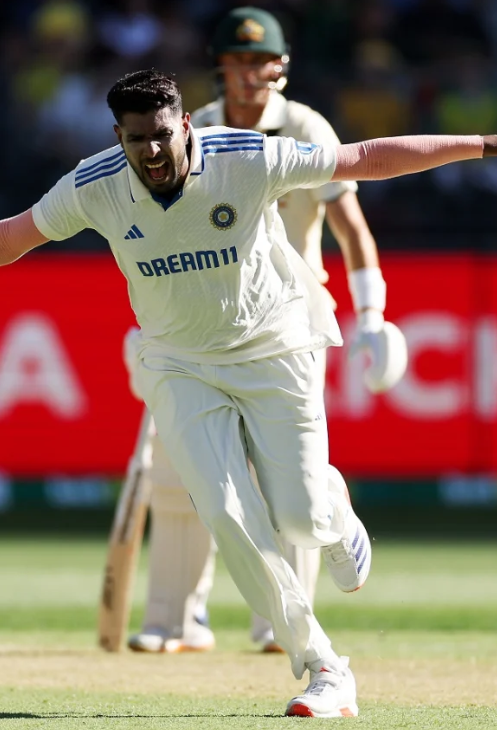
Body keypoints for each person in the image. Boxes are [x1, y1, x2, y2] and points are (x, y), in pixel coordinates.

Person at [0, 68, 497, 718]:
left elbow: (364, 158)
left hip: (276, 345)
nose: (150, 152)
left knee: (301, 514)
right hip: (180, 364)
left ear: (186, 124)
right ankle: (323, 668)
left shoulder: (246, 157)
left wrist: (492, 145)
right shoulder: (96, 185)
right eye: (134, 138)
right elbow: (10, 237)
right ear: (117, 136)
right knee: (227, 513)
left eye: (160, 134)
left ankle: (333, 508)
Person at [126, 6, 407, 657]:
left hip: (287, 322)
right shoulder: (189, 129)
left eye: (261, 62)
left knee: (289, 481)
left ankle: (278, 624)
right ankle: (177, 619)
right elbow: (159, 240)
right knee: (182, 475)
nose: (250, 75)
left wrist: (371, 314)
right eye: (238, 62)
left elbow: (351, 229)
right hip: (200, 327)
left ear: (280, 66)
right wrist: (151, 333)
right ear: (220, 66)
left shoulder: (305, 126)